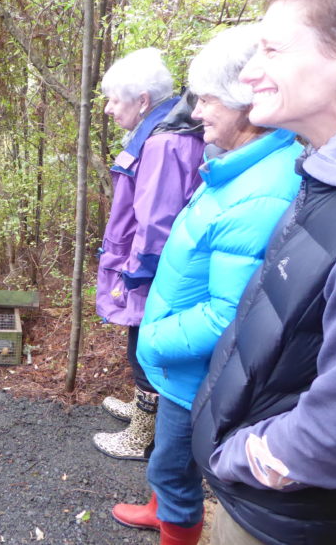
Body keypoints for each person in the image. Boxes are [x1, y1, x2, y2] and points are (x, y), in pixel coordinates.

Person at [110, 25, 303, 545]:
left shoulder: (260, 191)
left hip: (192, 367)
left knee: (174, 466)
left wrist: (154, 338)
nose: (195, 113)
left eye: (208, 100)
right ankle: (163, 509)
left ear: (244, 103)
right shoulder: (237, 167)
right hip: (182, 359)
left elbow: (230, 313)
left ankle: (173, 520)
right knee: (167, 464)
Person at [191, 0, 336, 543]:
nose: (248, 74)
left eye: (273, 49)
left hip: (288, 519)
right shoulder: (322, 175)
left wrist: (238, 455)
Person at [93, 48, 205, 460]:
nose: (107, 109)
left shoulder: (163, 144)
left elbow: (156, 224)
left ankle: (143, 437)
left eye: (114, 100)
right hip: (153, 267)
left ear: (142, 100)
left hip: (152, 270)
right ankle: (143, 412)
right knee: (141, 340)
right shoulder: (164, 131)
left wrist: (134, 275)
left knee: (145, 345)